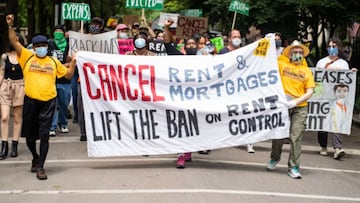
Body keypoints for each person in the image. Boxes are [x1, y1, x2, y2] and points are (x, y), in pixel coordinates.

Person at [6, 14, 76, 180]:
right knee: (30, 137)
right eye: (38, 45)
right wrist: (10, 26)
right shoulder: (27, 57)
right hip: (31, 102)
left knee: (44, 136)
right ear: (34, 47)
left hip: (48, 103)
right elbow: (14, 42)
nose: (41, 47)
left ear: (47, 46)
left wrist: (73, 62)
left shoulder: (53, 62)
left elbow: (67, 75)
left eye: (44, 44)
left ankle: (41, 167)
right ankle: (35, 157)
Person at [267, 40, 315, 179]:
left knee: (296, 137)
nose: (298, 55)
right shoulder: (281, 65)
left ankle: (294, 167)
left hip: (300, 107)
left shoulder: (306, 71)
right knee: (279, 135)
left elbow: (310, 91)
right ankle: (274, 158)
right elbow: (266, 68)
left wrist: (296, 102)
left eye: (300, 52)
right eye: (295, 52)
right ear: (289, 53)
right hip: (283, 106)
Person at [315, 37, 357, 159]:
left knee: (336, 121)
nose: (331, 48)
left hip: (337, 97)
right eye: (330, 46)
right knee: (323, 121)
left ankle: (337, 148)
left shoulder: (343, 64)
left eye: (334, 46)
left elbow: (347, 81)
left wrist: (352, 72)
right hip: (323, 96)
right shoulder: (321, 62)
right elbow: (317, 79)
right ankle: (323, 145)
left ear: (338, 49)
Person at [163, 18, 195, 168]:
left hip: (197, 101)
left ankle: (189, 150)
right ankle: (180, 155)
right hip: (180, 99)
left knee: (194, 126)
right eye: (189, 44)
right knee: (181, 126)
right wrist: (166, 28)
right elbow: (167, 44)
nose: (191, 46)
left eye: (193, 44)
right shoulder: (178, 58)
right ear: (185, 47)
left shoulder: (207, 61)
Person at [0, 32, 25, 160]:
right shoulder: (4, 57)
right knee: (4, 117)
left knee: (17, 117)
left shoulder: (24, 56)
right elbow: (1, 73)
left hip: (20, 86)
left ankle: (15, 144)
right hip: (5, 86)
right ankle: (4, 145)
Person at [49, 25, 71, 136]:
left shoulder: (69, 45)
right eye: (56, 31)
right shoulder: (49, 44)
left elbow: (74, 59)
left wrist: (70, 63)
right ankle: (52, 126)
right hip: (52, 79)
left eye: (60, 31)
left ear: (64, 33)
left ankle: (63, 123)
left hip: (65, 79)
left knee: (63, 103)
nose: (58, 33)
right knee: (52, 104)